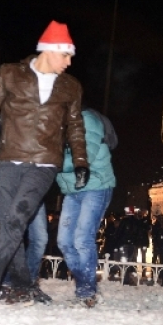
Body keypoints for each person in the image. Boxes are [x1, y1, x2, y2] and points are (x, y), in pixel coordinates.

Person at [0, 20, 89, 309]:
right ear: (49, 51)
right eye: (66, 55)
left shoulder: (71, 87)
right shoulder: (9, 74)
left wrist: (80, 161)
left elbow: (75, 127)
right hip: (8, 162)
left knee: (15, 222)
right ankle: (23, 285)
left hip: (43, 164)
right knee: (10, 228)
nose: (69, 61)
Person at [0, 115, 50, 290]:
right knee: (12, 236)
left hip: (32, 190)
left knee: (40, 238)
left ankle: (27, 283)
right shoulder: (8, 118)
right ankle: (10, 283)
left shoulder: (43, 123)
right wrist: (3, 175)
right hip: (2, 187)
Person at [55, 108, 116, 307]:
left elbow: (85, 152)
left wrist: (50, 165)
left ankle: (86, 292)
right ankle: (85, 285)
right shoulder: (57, 126)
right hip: (72, 189)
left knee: (82, 238)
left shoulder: (87, 120)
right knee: (64, 241)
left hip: (96, 185)